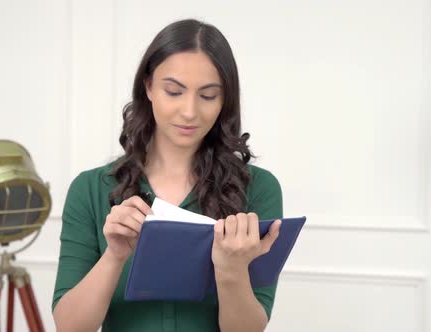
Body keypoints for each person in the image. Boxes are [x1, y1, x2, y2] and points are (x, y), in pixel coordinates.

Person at [52, 18, 283, 332]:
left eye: (207, 95)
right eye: (174, 91)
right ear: (148, 86)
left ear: (224, 99)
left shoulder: (258, 189)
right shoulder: (90, 189)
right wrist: (114, 256)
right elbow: (70, 326)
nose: (189, 111)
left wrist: (232, 271)